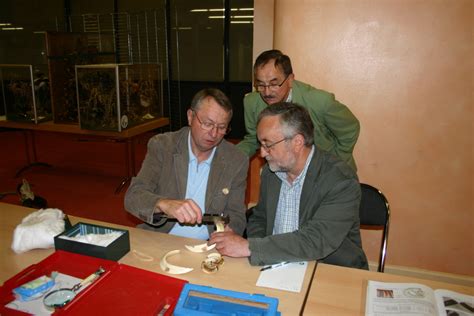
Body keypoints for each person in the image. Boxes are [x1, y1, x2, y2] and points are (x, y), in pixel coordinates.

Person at [209, 102, 368, 269]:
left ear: (297, 142)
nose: (262, 153)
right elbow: (260, 217)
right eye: (260, 145)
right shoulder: (272, 172)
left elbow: (315, 240)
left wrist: (250, 247)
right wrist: (258, 252)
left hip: (329, 271)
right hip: (276, 266)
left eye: (268, 145)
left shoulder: (340, 180)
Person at [124, 88, 249, 239]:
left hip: (207, 245)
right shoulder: (163, 146)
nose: (214, 133)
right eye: (207, 124)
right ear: (190, 117)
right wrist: (163, 204)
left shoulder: (236, 160)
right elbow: (133, 196)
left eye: (222, 127)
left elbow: (237, 215)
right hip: (160, 239)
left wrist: (228, 232)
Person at [236, 49, 360, 171]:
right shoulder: (251, 103)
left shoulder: (320, 101)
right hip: (284, 168)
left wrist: (333, 163)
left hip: (326, 170)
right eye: (261, 85)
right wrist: (230, 157)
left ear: (290, 80)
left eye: (274, 84)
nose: (267, 92)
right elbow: (253, 139)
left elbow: (350, 128)